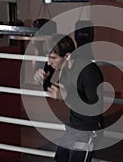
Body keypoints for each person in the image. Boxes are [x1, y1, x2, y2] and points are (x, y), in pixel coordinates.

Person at [33, 34, 105, 162]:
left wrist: (67, 96)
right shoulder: (64, 67)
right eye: (47, 58)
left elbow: (96, 109)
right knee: (60, 159)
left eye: (53, 58)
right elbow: (56, 91)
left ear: (67, 56)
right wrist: (43, 81)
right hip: (73, 125)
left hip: (88, 128)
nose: (49, 62)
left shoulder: (88, 72)